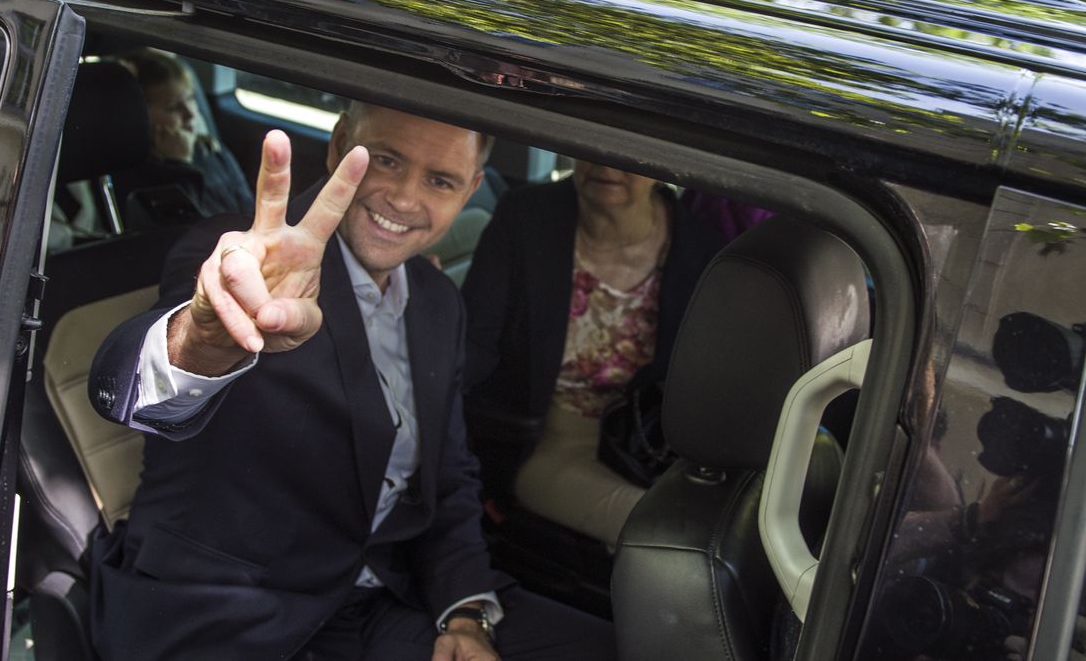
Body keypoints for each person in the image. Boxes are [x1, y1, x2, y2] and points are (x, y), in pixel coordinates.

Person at [88, 102, 616, 660]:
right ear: (339, 146)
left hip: (377, 596)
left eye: (440, 180)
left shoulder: (437, 303)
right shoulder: (241, 261)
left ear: (469, 191)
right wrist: (206, 338)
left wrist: (466, 612)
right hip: (225, 615)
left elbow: (449, 478)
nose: (406, 199)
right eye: (386, 161)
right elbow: (133, 388)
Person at [461, 162, 725, 547]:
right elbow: (473, 345)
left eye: (628, 150)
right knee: (674, 538)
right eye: (595, 145)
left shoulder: (700, 250)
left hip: (649, 447)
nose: (606, 163)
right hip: (545, 443)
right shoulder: (526, 217)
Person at [116, 48, 255, 218]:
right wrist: (179, 164)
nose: (191, 114)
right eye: (173, 107)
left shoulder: (211, 150)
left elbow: (249, 209)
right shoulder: (141, 178)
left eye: (190, 98)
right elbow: (186, 229)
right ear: (141, 117)